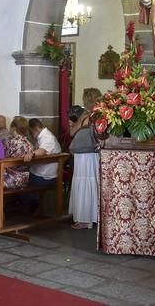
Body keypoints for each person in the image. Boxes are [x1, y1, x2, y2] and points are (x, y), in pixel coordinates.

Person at [68, 88, 102, 230]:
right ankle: (95, 216)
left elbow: (72, 132)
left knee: (83, 183)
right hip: (95, 153)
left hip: (83, 155)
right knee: (94, 182)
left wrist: (73, 125)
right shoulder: (101, 115)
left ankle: (84, 219)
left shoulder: (85, 115)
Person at [3, 116, 33, 190]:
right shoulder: (28, 142)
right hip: (27, 177)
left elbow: (3, 159)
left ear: (14, 128)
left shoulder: (11, 142)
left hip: (13, 177)